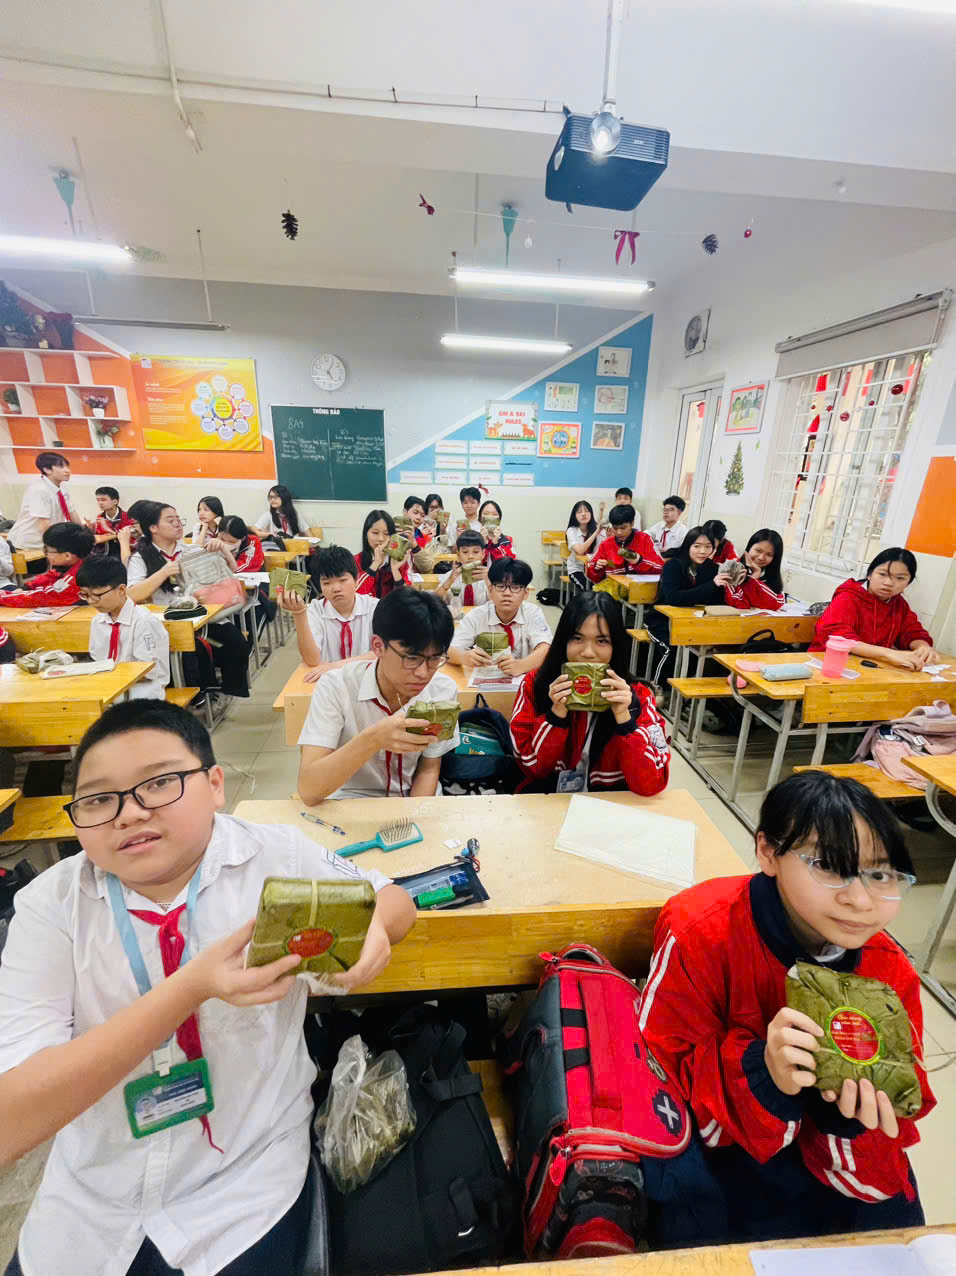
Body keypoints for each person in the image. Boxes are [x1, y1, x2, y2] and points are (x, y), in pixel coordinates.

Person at [0, 700, 415, 1276]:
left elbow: (392, 898)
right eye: (98, 799)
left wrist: (372, 928)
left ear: (215, 784)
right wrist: (189, 989)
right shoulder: (50, 907)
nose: (129, 813)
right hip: (92, 1206)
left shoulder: (275, 857)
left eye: (159, 783)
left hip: (245, 1186)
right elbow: (11, 1123)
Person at [639, 771, 935, 1244]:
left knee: (897, 1244)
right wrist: (763, 1071)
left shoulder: (887, 968)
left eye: (880, 874)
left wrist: (847, 1112)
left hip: (833, 1160)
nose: (860, 900)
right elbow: (659, 1075)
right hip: (722, 1149)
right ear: (768, 852)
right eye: (829, 866)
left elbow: (900, 1104)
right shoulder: (701, 930)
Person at [297, 587, 460, 803]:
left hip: (414, 801)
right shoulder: (336, 687)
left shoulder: (442, 690)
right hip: (349, 802)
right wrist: (374, 739)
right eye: (412, 658)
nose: (423, 673)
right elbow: (309, 789)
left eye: (435, 659)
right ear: (378, 646)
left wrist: (412, 815)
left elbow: (428, 769)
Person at [510, 590, 670, 795]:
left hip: (609, 805)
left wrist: (625, 720)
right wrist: (556, 715)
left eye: (602, 641)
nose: (587, 652)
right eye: (577, 638)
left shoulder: (638, 696)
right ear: (563, 641)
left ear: (616, 646)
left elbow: (652, 784)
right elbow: (531, 768)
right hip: (550, 801)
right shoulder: (536, 684)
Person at [125, 502, 251, 700]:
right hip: (167, 624)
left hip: (202, 617)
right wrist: (163, 572)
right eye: (170, 520)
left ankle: (226, 691)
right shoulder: (140, 558)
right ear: (153, 528)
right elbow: (132, 595)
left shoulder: (191, 550)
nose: (178, 524)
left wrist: (219, 550)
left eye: (178, 519)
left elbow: (226, 576)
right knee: (195, 650)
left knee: (237, 642)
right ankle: (201, 696)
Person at [809, 548, 936, 670]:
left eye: (900, 578)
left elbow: (912, 631)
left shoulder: (899, 604)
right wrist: (887, 653)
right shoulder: (848, 597)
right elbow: (838, 637)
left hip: (870, 667)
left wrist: (922, 647)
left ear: (908, 583)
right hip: (830, 664)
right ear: (870, 574)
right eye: (882, 574)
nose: (888, 583)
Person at [646, 527, 734, 685]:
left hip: (695, 622)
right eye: (697, 546)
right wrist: (711, 585)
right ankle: (658, 686)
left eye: (708, 547)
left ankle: (687, 689)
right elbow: (674, 598)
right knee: (672, 648)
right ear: (688, 546)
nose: (703, 551)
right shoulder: (673, 566)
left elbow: (716, 601)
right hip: (662, 620)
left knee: (709, 649)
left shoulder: (713, 569)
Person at [277, 544, 377, 681]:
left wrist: (335, 666)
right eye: (327, 583)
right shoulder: (315, 610)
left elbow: (383, 652)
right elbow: (312, 660)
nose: (336, 588)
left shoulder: (374, 607)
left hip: (366, 679)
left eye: (342, 580)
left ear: (356, 579)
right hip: (328, 681)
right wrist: (299, 614)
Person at [75, 556, 170, 700]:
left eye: (96, 595)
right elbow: (97, 660)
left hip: (142, 693)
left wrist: (111, 676)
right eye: (85, 595)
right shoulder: (98, 621)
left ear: (121, 589)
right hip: (109, 688)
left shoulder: (144, 622)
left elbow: (148, 671)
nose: (91, 601)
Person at [447, 558, 552, 677]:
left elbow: (546, 649)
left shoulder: (533, 613)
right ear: (490, 590)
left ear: (526, 593)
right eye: (501, 586)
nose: (507, 593)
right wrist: (464, 657)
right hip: (485, 680)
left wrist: (520, 666)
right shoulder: (477, 615)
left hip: (524, 680)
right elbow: (449, 649)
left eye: (515, 587)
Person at [0, 522, 94, 609]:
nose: (45, 554)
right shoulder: (76, 563)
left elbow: (40, 597)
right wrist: (25, 587)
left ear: (67, 556)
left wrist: (3, 597)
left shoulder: (79, 577)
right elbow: (51, 576)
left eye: (47, 551)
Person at [7, 452, 82, 552]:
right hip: (27, 545)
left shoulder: (62, 487)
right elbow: (44, 525)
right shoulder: (39, 490)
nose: (67, 470)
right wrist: (61, 545)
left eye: (67, 466)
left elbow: (72, 512)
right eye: (61, 467)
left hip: (47, 541)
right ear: (47, 469)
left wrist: (82, 535)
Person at [587, 504, 664, 583]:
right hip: (613, 588)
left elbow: (661, 568)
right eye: (615, 528)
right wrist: (597, 568)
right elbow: (590, 573)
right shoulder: (606, 545)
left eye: (623, 528)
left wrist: (639, 561)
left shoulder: (644, 539)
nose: (619, 532)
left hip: (641, 588)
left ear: (632, 524)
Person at [723, 529, 786, 611]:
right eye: (758, 551)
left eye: (769, 554)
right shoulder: (732, 569)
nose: (761, 557)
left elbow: (777, 604)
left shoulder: (772, 577)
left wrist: (754, 579)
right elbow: (739, 604)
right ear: (749, 548)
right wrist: (753, 578)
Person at [355, 509, 412, 598]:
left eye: (387, 533)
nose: (381, 539)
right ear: (366, 534)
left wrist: (395, 570)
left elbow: (407, 598)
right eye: (375, 533)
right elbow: (355, 596)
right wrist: (375, 564)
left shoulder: (399, 561)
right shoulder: (356, 561)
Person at [434, 530, 490, 607]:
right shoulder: (449, 576)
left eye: (476, 552)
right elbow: (433, 601)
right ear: (458, 555)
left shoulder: (490, 577)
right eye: (465, 552)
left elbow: (497, 604)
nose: (470, 556)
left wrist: (488, 582)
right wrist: (449, 581)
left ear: (483, 554)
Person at [566, 500, 604, 591]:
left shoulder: (595, 529)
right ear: (574, 516)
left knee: (602, 589)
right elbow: (580, 551)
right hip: (577, 569)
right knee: (590, 589)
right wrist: (596, 532)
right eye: (579, 512)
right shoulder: (571, 531)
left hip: (593, 568)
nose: (583, 514)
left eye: (587, 511)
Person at [90, 486, 137, 559]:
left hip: (123, 553)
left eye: (103, 500)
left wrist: (107, 529)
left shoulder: (127, 517)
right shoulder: (100, 517)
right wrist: (91, 529)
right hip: (104, 553)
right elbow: (99, 538)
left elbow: (130, 539)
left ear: (115, 501)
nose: (100, 503)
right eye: (98, 500)